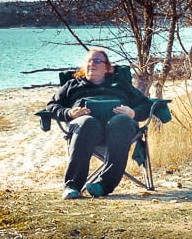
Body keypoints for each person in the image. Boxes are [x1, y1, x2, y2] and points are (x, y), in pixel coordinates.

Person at [46, 48, 152, 199]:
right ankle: (72, 186)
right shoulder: (72, 85)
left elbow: (146, 104)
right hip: (85, 128)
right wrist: (69, 113)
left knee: (122, 121)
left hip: (119, 128)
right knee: (87, 123)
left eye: (97, 61)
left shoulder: (121, 85)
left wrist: (132, 112)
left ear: (107, 67)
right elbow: (51, 106)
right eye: (89, 61)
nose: (92, 64)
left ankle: (103, 185)